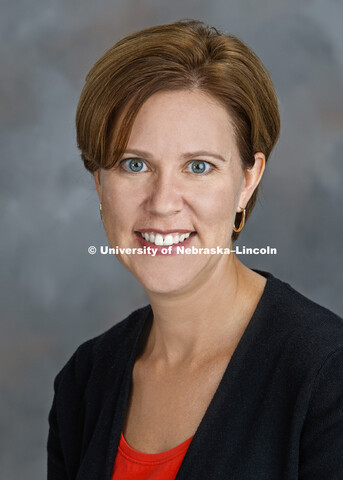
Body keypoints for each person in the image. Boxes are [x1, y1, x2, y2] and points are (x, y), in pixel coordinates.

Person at [47, 19, 343, 480]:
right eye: (134, 164)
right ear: (99, 181)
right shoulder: (84, 382)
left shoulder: (327, 377)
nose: (163, 203)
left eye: (199, 166)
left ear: (247, 180)